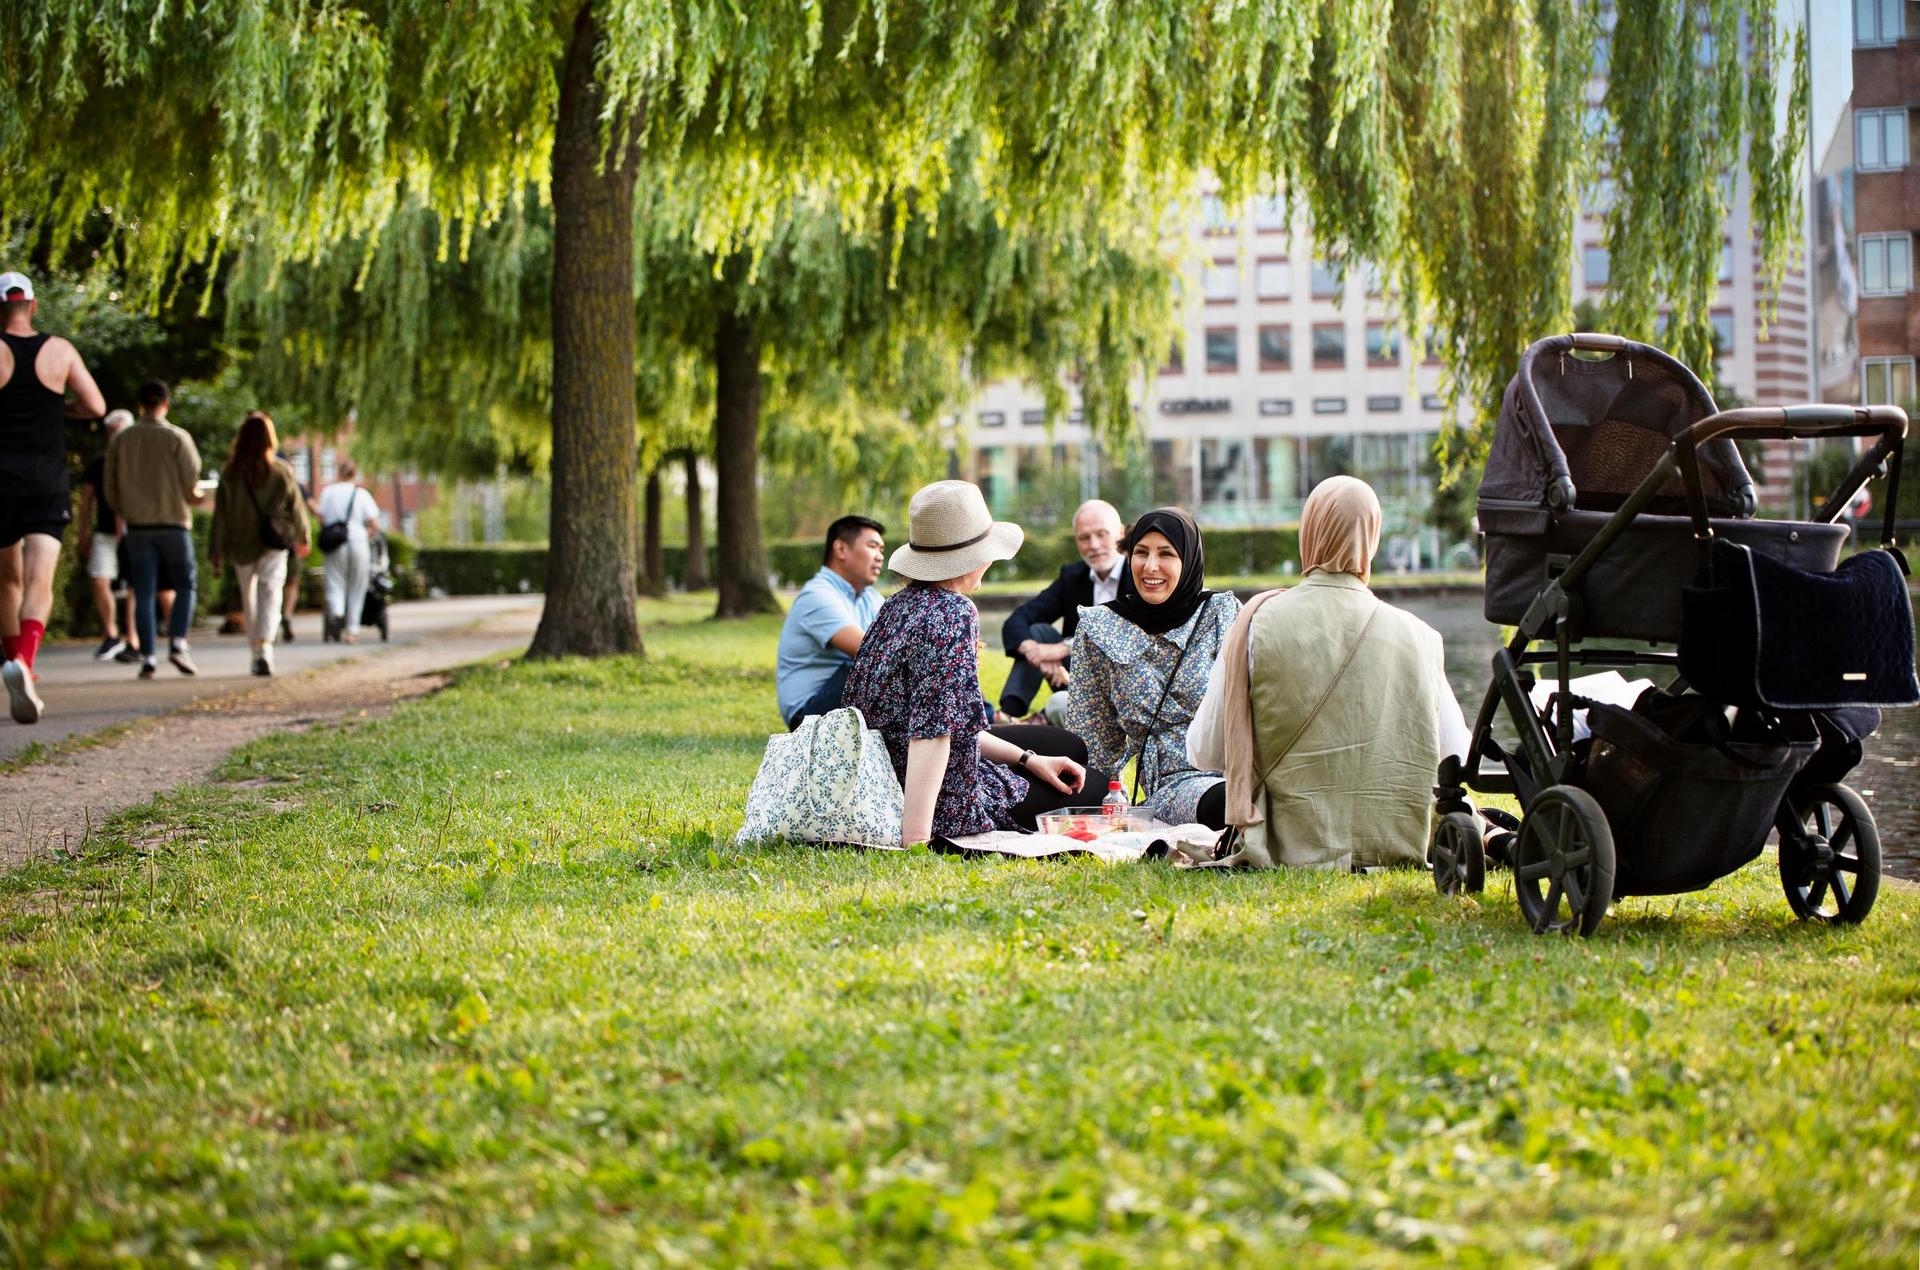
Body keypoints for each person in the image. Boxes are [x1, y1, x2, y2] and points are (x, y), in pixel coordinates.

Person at [1186, 476, 1471, 870]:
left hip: (1286, 847)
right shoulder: (1421, 636)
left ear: (1310, 531)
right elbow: (1457, 753)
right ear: (1372, 537)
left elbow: (1205, 749)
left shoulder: (1257, 622)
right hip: (1398, 844)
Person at [843, 480, 1105, 844]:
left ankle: (1030, 765)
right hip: (938, 793)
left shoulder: (897, 605)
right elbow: (932, 734)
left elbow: (943, 723)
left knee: (1067, 747)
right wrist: (917, 837)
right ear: (973, 557)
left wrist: (1028, 760)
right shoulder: (954, 611)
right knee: (1093, 788)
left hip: (883, 771)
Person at [1068, 507, 1241, 829]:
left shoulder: (1221, 614)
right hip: (1178, 785)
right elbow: (1093, 737)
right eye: (1141, 553)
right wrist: (1092, 803)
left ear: (1188, 560)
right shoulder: (1100, 627)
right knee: (1231, 805)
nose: (1150, 567)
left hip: (1243, 769)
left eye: (1166, 554)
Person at [0, 270, 107, 723]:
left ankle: (12, 665)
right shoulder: (59, 350)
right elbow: (97, 407)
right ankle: (25, 661)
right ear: (34, 306)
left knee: (7, 580)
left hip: (1, 479)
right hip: (47, 478)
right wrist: (62, 406)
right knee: (39, 577)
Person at [106, 379, 204, 679]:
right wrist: (193, 499)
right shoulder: (178, 437)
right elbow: (191, 481)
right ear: (166, 403)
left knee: (144, 592)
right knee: (185, 584)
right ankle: (177, 641)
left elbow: (110, 487)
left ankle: (148, 656)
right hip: (173, 523)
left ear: (140, 404)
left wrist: (126, 509)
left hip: (138, 526)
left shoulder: (123, 440)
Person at [998, 498, 1127, 722]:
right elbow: (1018, 619)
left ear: (1121, 533)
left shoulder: (1138, 574)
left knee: (1050, 643)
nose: (1093, 545)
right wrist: (1035, 652)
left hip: (1123, 677)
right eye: (1084, 538)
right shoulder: (1073, 576)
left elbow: (1128, 635)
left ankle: (1036, 719)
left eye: (1102, 534)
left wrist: (1064, 648)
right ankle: (1008, 718)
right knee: (1038, 632)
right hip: (1077, 673)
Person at [209, 411, 310, 677]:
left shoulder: (230, 473)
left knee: (249, 595)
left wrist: (216, 548)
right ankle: (265, 646)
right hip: (273, 540)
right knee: (271, 592)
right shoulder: (280, 471)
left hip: (241, 542)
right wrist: (303, 536)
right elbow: (297, 508)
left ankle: (256, 648)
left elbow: (220, 514)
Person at [775, 515, 887, 729]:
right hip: (808, 715)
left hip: (843, 700)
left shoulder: (870, 597)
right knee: (872, 666)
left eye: (881, 550)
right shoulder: (817, 595)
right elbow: (871, 652)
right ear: (841, 549)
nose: (879, 556)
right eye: (872, 546)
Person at [76, 408, 135, 659]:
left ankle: (134, 638)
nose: (114, 436)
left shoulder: (138, 461)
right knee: (100, 579)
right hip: (105, 532)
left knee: (135, 586)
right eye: (110, 432)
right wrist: (83, 534)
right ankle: (111, 634)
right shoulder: (99, 463)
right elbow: (87, 501)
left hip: (135, 531)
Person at [316, 459, 383, 643]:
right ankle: (352, 630)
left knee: (335, 581)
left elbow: (320, 517)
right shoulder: (361, 494)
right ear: (354, 474)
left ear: (338, 473)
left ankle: (337, 611)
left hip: (336, 543)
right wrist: (364, 534)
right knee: (357, 586)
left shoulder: (328, 492)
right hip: (358, 541)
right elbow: (375, 524)